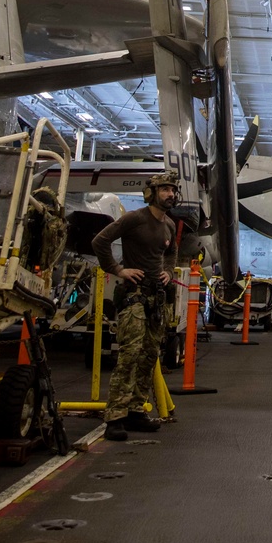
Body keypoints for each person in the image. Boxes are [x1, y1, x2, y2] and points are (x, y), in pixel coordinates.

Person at [91, 170, 180, 442]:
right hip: (135, 297)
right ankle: (115, 417)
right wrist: (119, 269)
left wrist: (169, 272)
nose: (170, 194)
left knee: (149, 356)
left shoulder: (169, 225)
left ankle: (135, 410)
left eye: (172, 190)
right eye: (164, 189)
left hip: (156, 299)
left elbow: (170, 253)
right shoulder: (134, 219)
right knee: (129, 356)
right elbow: (100, 241)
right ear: (152, 193)